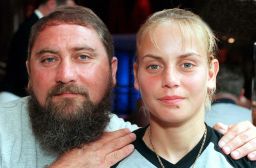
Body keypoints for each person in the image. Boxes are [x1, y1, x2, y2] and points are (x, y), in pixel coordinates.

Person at [0, 6, 256, 168]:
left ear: (113, 72)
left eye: (83, 57)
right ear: (28, 72)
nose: (66, 75)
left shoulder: (120, 141)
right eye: (48, 59)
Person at [114, 8, 256, 167]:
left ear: (211, 74)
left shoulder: (244, 158)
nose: (170, 79)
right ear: (136, 76)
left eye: (187, 64)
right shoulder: (109, 160)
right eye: (154, 66)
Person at [2, 0, 76, 97]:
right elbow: (23, 69)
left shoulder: (34, 24)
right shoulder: (32, 28)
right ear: (52, 3)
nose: (68, 15)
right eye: (67, 10)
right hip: (16, 96)